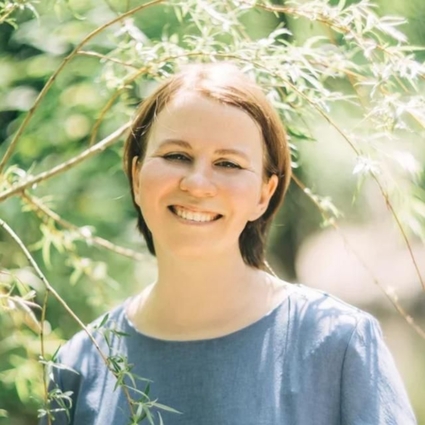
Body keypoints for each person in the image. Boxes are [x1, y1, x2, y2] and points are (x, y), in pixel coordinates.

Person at [41, 63, 417, 425]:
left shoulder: (338, 343)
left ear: (264, 194)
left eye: (229, 164)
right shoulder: (81, 365)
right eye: (176, 156)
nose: (197, 183)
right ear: (137, 177)